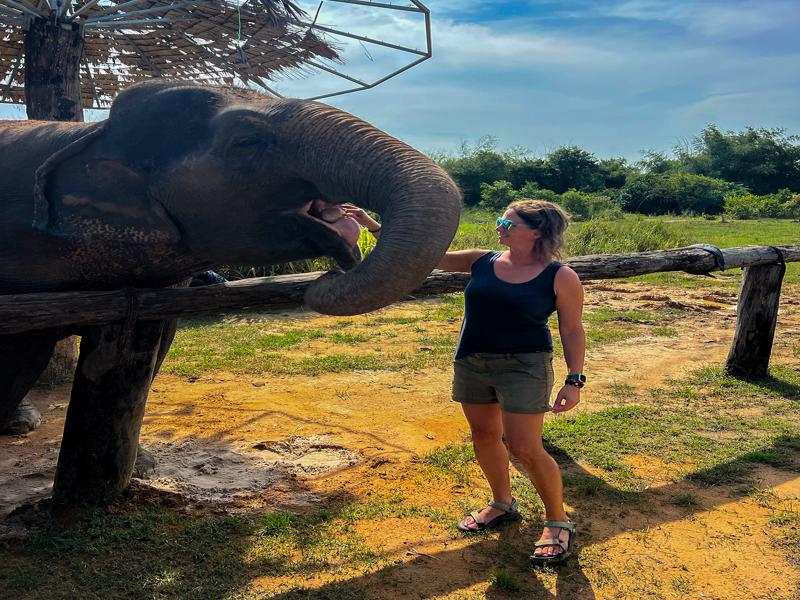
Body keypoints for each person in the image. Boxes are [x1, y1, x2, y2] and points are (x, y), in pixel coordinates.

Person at [437, 199, 585, 567]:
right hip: (472, 362)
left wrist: (574, 380)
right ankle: (502, 503)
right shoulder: (481, 260)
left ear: (536, 232)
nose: (499, 225)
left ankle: (557, 522)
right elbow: (430, 256)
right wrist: (374, 227)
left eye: (508, 221)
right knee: (484, 437)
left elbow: (572, 328)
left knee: (525, 448)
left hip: (525, 366)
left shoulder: (559, 276)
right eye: (500, 219)